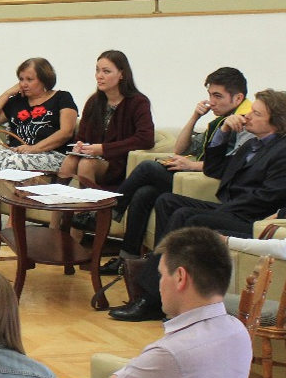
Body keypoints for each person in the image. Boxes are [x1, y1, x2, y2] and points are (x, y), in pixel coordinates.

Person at [111, 89, 286, 321]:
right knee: (167, 201)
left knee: (189, 217)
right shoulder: (252, 145)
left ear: (276, 122)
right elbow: (214, 169)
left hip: (253, 218)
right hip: (234, 208)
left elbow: (268, 197)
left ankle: (152, 297)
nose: (247, 116)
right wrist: (223, 132)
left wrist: (225, 208)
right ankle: (163, 281)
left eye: (256, 114)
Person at [53, 227, 252, 378]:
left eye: (161, 275)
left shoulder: (171, 355)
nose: (159, 284)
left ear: (180, 277)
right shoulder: (238, 331)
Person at [101, 67, 251, 274]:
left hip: (207, 184)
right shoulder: (220, 120)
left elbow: (235, 165)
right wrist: (195, 117)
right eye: (209, 95)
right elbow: (180, 149)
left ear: (238, 98)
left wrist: (193, 166)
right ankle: (128, 260)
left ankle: (109, 209)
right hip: (193, 177)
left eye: (218, 96)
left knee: (147, 168)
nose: (211, 102)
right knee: (144, 193)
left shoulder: (243, 122)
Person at [0, 57, 78, 243]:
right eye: (21, 79)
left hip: (52, 155)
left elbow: (66, 132)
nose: (24, 84)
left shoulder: (62, 98)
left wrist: (34, 148)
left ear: (44, 79)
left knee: (15, 163)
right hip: (19, 153)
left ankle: (12, 226)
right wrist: (8, 93)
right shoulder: (17, 102)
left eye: (30, 79)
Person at [56, 50, 154, 189]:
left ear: (122, 74)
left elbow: (146, 138)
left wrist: (103, 149)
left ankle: (90, 203)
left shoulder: (138, 102)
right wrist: (79, 145)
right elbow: (81, 136)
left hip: (119, 162)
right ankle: (55, 199)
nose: (99, 76)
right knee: (70, 159)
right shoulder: (94, 101)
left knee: (86, 164)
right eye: (97, 70)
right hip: (93, 156)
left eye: (106, 71)